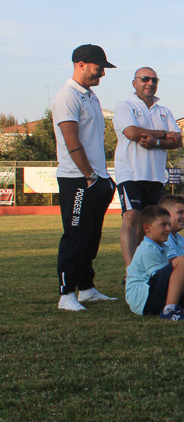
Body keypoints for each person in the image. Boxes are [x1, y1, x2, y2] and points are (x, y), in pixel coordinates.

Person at [53, 44, 118, 311]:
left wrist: (102, 178)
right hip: (77, 178)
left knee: (91, 236)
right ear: (80, 64)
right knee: (75, 236)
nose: (102, 73)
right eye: (98, 67)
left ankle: (86, 289)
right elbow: (71, 140)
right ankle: (66, 294)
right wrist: (88, 175)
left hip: (96, 177)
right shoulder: (67, 96)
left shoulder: (91, 97)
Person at [113, 66, 182, 267]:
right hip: (130, 172)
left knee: (149, 224)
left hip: (155, 175)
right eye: (145, 79)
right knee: (131, 216)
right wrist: (163, 134)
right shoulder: (125, 105)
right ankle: (130, 270)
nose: (150, 83)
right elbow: (132, 133)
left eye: (154, 80)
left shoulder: (164, 111)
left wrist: (156, 142)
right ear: (134, 82)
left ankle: (144, 265)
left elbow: (178, 140)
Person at [124, 206, 184, 321]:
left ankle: (175, 308)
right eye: (163, 225)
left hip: (152, 294)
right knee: (183, 261)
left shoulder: (161, 246)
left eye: (169, 224)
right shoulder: (147, 249)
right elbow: (165, 280)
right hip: (143, 299)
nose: (168, 229)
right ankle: (169, 311)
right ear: (147, 228)